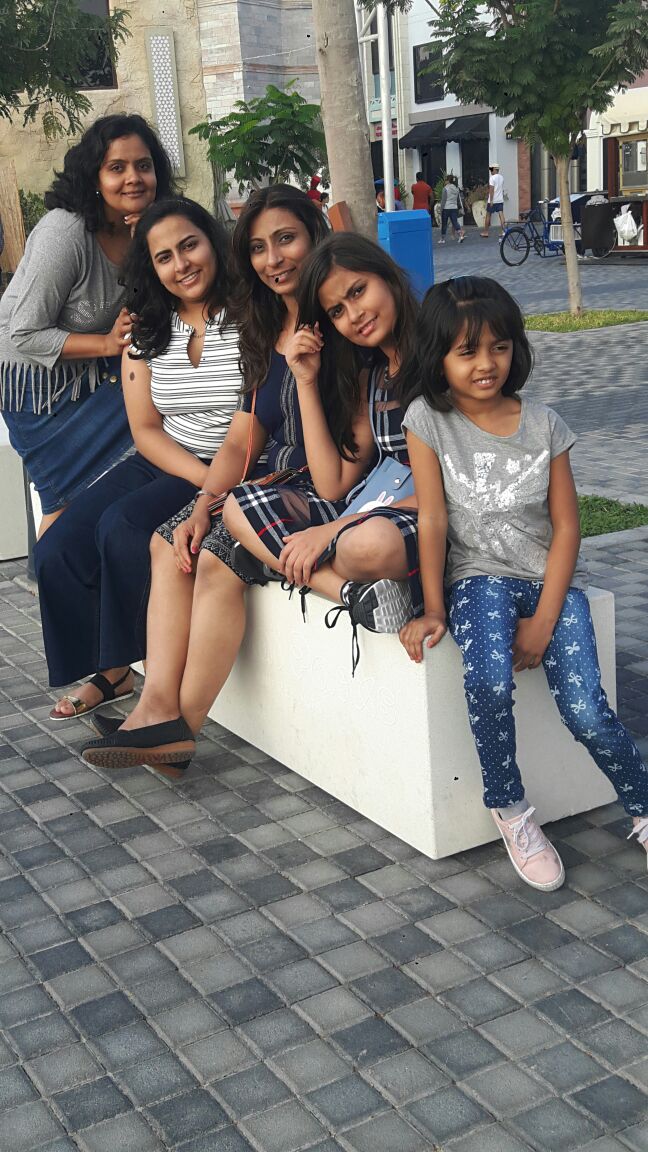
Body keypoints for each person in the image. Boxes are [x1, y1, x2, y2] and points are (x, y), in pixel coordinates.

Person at [80, 185, 345, 774]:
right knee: (168, 541)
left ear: (315, 235)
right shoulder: (268, 324)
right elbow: (240, 437)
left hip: (322, 486)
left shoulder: (338, 319)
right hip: (269, 477)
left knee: (215, 557)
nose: (273, 259)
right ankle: (156, 710)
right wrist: (205, 501)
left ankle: (178, 731)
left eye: (286, 239)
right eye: (259, 247)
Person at [399, 275, 648, 890]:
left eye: (499, 346)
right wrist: (433, 608)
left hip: (547, 582)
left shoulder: (545, 425)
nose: (486, 363)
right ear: (439, 356)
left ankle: (642, 807)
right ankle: (510, 809)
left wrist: (543, 621)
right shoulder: (427, 420)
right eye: (467, 351)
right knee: (487, 683)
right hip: (477, 580)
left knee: (588, 710)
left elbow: (567, 528)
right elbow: (432, 519)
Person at [36, 198, 242, 721]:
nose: (182, 264)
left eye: (190, 245)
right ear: (150, 268)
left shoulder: (250, 317)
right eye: (164, 257)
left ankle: (136, 680)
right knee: (57, 547)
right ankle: (112, 670)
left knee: (122, 526)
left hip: (233, 459)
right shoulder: (147, 330)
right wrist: (203, 479)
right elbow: (146, 430)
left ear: (213, 243)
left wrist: (215, 484)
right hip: (170, 458)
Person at [223, 232, 422, 651]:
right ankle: (348, 592)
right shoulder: (373, 377)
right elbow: (333, 485)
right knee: (238, 505)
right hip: (375, 506)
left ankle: (273, 561)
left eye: (358, 291)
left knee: (367, 544)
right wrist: (305, 380)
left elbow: (452, 491)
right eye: (337, 311)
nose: (355, 314)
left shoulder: (440, 355)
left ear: (386, 276)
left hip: (430, 513)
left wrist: (329, 532)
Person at [0, 114, 175, 536]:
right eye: (117, 167)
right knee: (63, 499)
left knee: (163, 414)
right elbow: (23, 333)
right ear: (95, 177)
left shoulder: (148, 230)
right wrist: (106, 345)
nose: (133, 178)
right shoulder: (65, 233)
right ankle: (56, 570)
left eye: (144, 165)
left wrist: (148, 245)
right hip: (34, 385)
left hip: (91, 370)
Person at [481, 163, 506, 237]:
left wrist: (491, 200)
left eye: (491, 169)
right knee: (501, 215)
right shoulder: (501, 177)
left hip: (493, 200)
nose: (490, 171)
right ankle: (503, 231)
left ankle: (486, 232)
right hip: (500, 199)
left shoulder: (492, 178)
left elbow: (491, 190)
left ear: (495, 169)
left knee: (488, 215)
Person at [439, 175, 465, 244]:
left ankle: (442, 239)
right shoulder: (456, 189)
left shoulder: (445, 188)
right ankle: (460, 235)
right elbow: (458, 199)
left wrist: (441, 209)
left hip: (446, 208)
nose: (445, 181)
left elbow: (443, 200)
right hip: (454, 208)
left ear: (448, 181)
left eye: (446, 180)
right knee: (455, 222)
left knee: (444, 224)